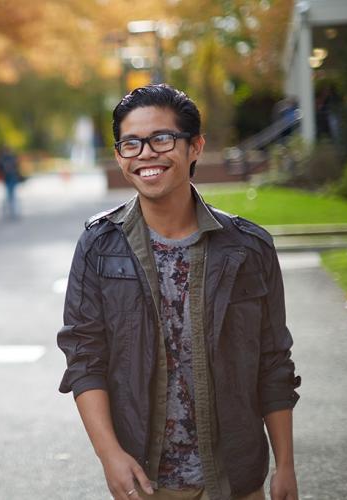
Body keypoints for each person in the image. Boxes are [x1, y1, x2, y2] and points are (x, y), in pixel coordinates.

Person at [57, 84, 300, 500]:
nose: (146, 153)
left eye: (162, 139)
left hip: (235, 477)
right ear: (120, 157)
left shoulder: (249, 247)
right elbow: (85, 358)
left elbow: (273, 360)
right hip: (145, 479)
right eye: (131, 143)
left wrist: (286, 466)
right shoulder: (98, 246)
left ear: (195, 147)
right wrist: (109, 455)